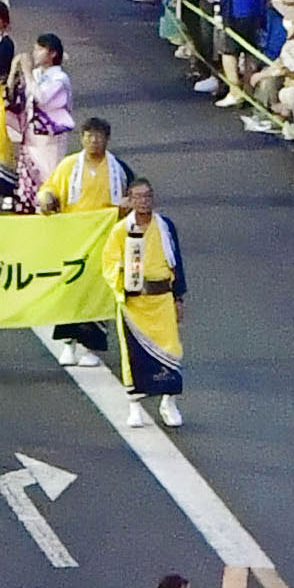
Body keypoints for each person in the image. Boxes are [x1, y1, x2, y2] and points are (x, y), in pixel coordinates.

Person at [114, 179, 189, 429]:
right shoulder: (121, 230)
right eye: (138, 196)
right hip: (135, 304)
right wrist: (124, 283)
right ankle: (134, 406)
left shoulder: (166, 227)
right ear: (130, 199)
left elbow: (176, 262)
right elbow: (109, 262)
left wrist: (178, 297)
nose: (143, 201)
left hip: (162, 299)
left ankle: (169, 402)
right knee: (133, 356)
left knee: (171, 350)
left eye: (148, 196)